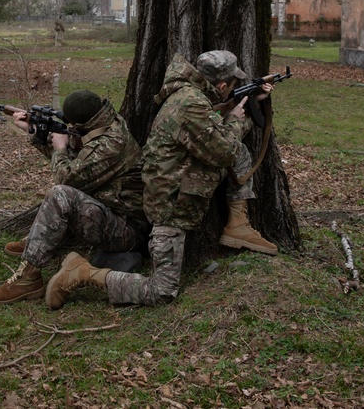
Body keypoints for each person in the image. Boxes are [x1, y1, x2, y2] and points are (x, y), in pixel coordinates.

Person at [44, 50, 276, 310]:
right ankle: (83, 272)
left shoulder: (189, 95)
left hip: (176, 193)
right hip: (171, 207)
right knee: (162, 291)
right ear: (221, 85)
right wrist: (237, 120)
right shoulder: (190, 105)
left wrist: (246, 101)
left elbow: (215, 137)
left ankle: (237, 224)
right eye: (232, 85)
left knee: (241, 153)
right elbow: (224, 151)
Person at [0, 89, 149, 305]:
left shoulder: (110, 144)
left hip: (128, 230)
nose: (70, 128)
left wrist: (60, 147)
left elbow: (67, 177)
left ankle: (28, 278)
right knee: (62, 195)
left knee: (60, 194)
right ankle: (38, 243)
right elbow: (78, 162)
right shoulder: (107, 122)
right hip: (113, 213)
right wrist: (36, 133)